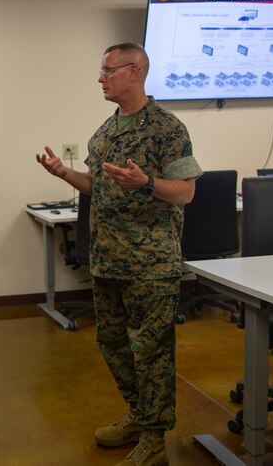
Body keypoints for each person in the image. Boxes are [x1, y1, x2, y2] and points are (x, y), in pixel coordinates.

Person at [36, 43, 201, 466]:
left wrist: (147, 183)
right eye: (101, 70)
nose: (101, 78)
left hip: (150, 265)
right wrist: (66, 174)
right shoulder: (105, 132)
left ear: (136, 70)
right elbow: (98, 185)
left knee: (151, 352)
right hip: (108, 260)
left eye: (108, 70)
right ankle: (138, 413)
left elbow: (186, 191)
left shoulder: (168, 129)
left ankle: (154, 438)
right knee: (113, 344)